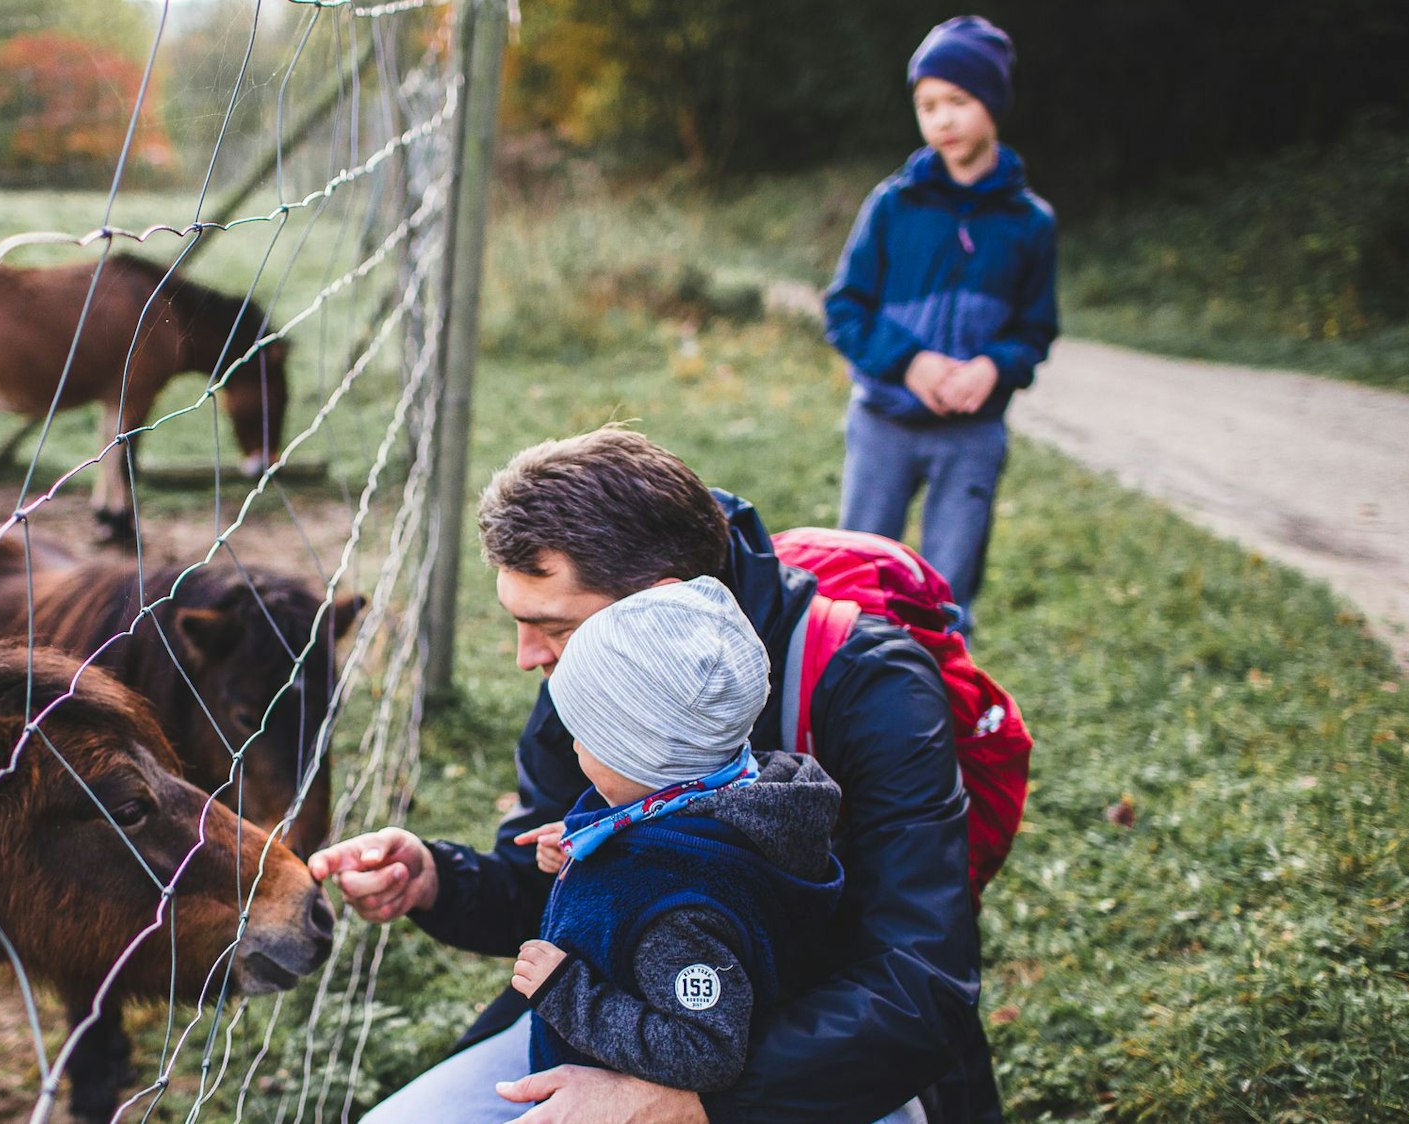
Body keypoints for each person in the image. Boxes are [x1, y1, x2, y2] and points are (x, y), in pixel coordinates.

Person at [309, 428, 998, 1123]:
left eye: (551, 625)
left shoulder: (872, 686)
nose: (525, 657)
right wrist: (437, 878)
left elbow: (920, 982)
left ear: (657, 599)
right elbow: (574, 892)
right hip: (619, 1029)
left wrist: (692, 1105)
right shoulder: (584, 680)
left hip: (825, 1062)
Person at [510, 576, 845, 1097]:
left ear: (635, 753)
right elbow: (647, 823)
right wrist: (583, 842)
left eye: (586, 733)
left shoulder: (680, 912)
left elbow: (705, 1051)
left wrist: (569, 994)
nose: (573, 743)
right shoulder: (734, 790)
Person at [824, 14, 1058, 633]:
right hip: (884, 424)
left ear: (993, 104)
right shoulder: (893, 206)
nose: (942, 119)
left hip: (971, 435)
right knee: (856, 578)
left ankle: (938, 710)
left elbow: (1035, 331)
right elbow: (844, 310)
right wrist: (911, 361)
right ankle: (849, 702)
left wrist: (993, 366)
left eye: (958, 100)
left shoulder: (1030, 223)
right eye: (927, 105)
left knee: (948, 598)